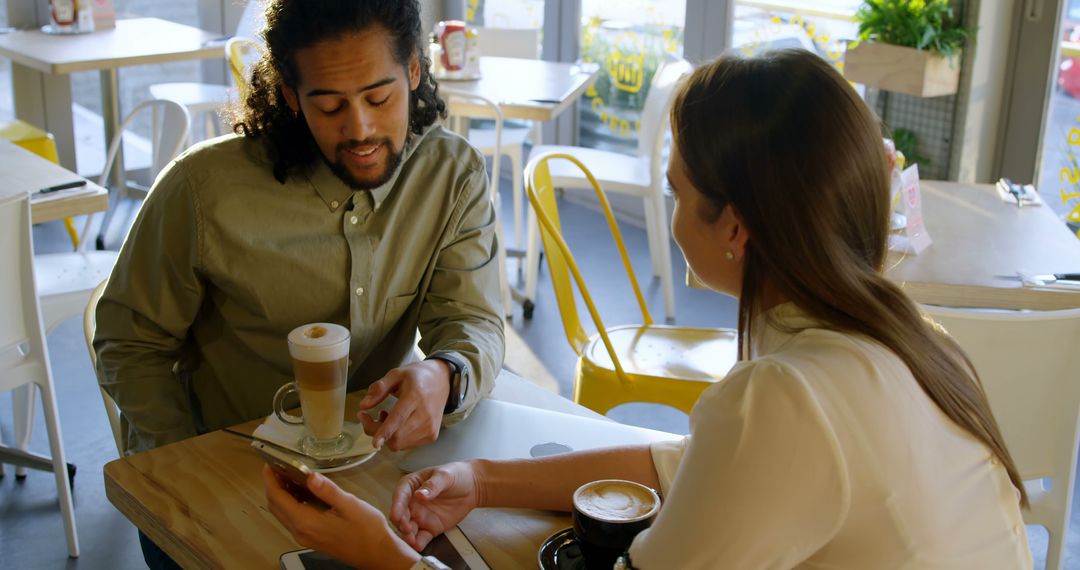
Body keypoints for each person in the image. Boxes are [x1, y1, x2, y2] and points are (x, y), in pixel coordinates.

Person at [263, 50, 1033, 569]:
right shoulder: (913, 343)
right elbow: (699, 468)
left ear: (734, 226)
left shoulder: (789, 397)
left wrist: (384, 557)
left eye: (677, 193)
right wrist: (483, 479)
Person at [95, 0, 504, 565]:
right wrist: (185, 461)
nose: (359, 129)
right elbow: (129, 342)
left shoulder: (451, 176)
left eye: (379, 98)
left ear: (413, 69)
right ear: (290, 95)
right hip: (226, 475)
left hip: (377, 475)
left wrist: (445, 373)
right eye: (329, 105)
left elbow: (474, 320)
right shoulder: (202, 190)